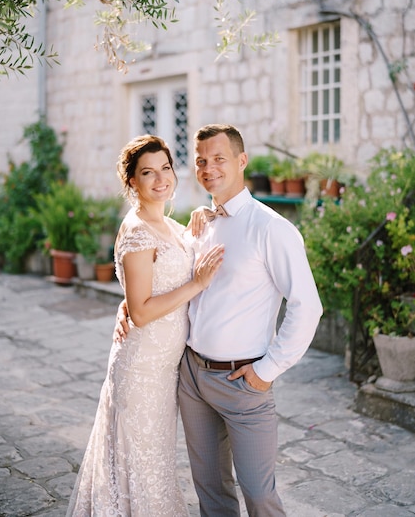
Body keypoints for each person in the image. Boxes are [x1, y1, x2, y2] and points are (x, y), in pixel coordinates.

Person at [116, 124, 323, 517]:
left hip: (242, 382)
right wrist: (127, 307)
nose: (209, 168)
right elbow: (164, 279)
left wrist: (268, 370)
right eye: (201, 161)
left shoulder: (273, 229)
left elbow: (307, 306)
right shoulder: (200, 223)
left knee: (260, 496)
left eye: (219, 159)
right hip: (192, 376)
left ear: (242, 161)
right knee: (211, 491)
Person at [66, 134, 224, 517]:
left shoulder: (167, 223)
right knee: (140, 467)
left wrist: (199, 216)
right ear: (132, 182)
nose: (160, 180)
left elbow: (161, 271)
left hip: (163, 369)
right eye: (147, 173)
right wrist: (197, 284)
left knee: (154, 465)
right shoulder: (137, 231)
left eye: (165, 168)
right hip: (141, 370)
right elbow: (140, 311)